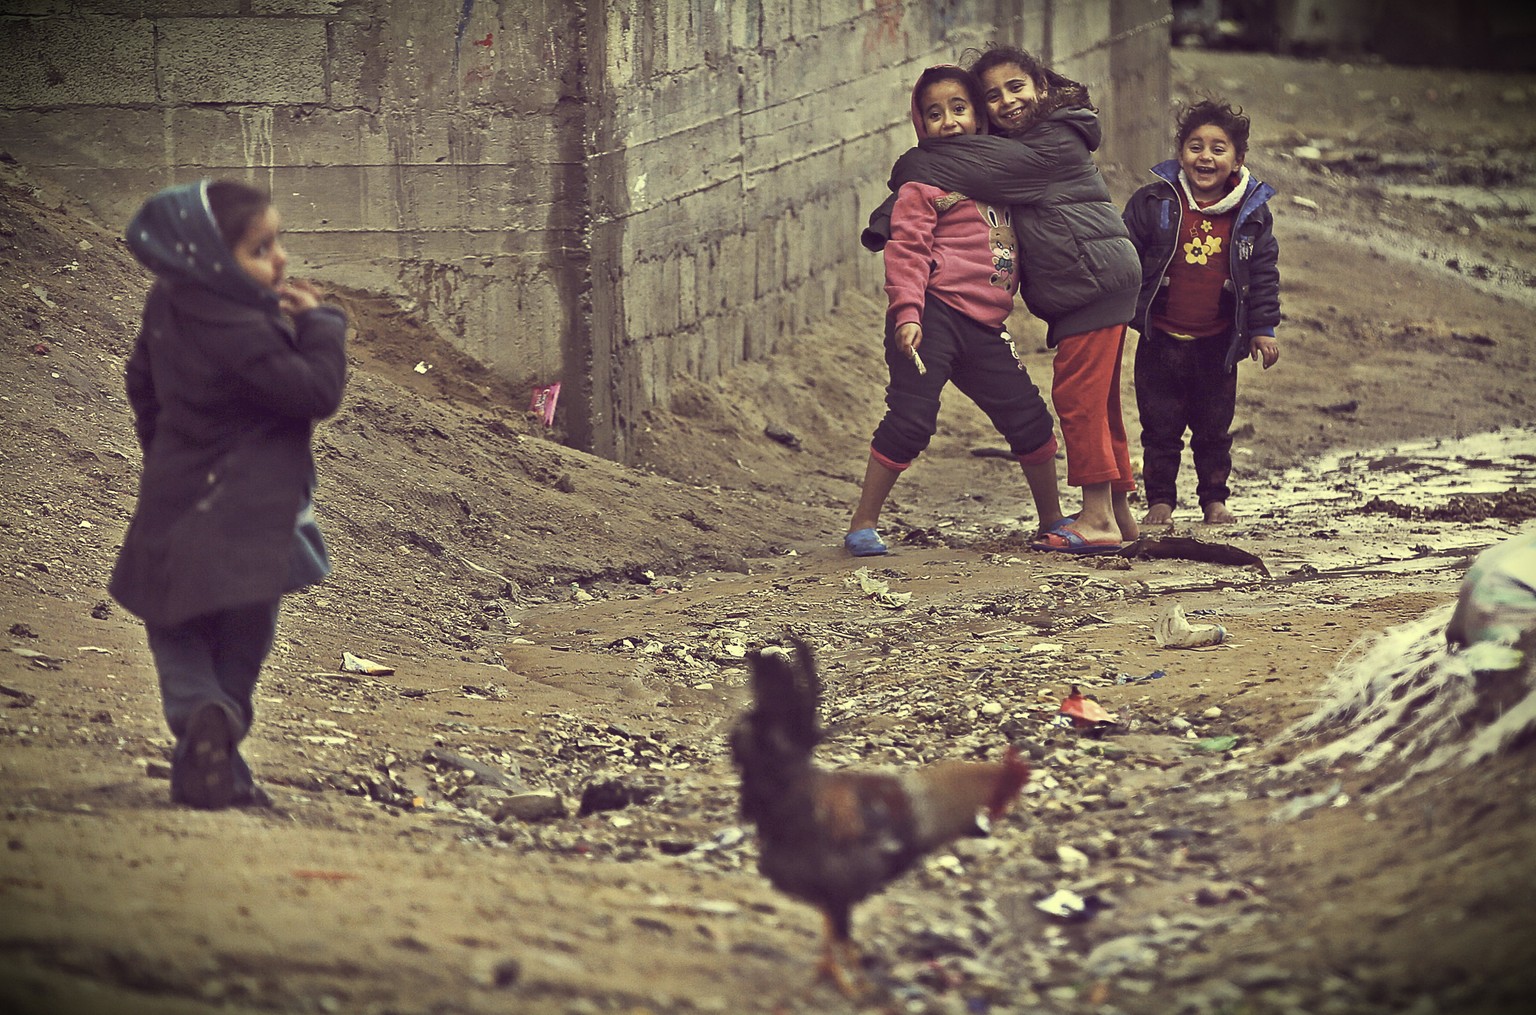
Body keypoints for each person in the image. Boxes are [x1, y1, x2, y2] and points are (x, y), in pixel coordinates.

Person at [109, 179, 348, 809]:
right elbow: (314, 393)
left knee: (177, 627)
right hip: (254, 519)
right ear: (215, 259)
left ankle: (207, 737)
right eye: (261, 249)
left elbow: (141, 379)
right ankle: (220, 724)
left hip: (179, 501)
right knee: (242, 640)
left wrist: (165, 447)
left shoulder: (169, 304)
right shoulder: (244, 327)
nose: (280, 260)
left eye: (277, 243)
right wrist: (321, 325)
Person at [864, 45, 1141, 555]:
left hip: (1091, 281)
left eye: (1017, 87)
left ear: (1041, 84)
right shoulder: (1018, 145)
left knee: (1077, 400)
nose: (1008, 101)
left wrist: (910, 163)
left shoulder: (1045, 146)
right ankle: (1120, 516)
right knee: (1100, 404)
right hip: (1091, 281)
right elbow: (951, 176)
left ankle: (1097, 517)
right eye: (992, 96)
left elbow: (944, 168)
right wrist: (895, 208)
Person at [845, 65, 1065, 557]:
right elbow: (907, 249)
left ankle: (1052, 518)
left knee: (1028, 417)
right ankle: (863, 523)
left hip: (985, 325)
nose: (949, 122)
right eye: (935, 114)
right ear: (921, 125)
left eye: (959, 109)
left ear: (980, 116)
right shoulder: (925, 181)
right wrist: (907, 314)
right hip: (931, 316)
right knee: (911, 421)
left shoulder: (1001, 175)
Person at [1122, 99, 1280, 526]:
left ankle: (1213, 500)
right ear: (1180, 152)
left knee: (1213, 431)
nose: (1205, 157)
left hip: (1218, 343)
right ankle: (1161, 502)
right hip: (1160, 340)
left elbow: (1263, 274)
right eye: (1195, 146)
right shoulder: (1155, 200)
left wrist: (1262, 329)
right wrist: (1118, 309)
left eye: (1218, 148)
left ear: (1237, 159)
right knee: (1160, 430)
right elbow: (1124, 256)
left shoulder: (1250, 214)